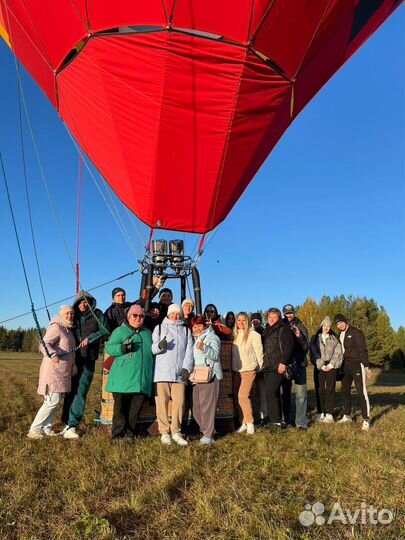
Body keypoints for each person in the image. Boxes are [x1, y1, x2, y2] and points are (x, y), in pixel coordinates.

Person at [61, 290, 109, 439]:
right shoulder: (72, 315)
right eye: (81, 302)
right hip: (72, 359)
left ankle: (73, 424)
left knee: (81, 391)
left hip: (88, 358)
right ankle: (65, 422)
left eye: (86, 301)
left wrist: (91, 338)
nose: (83, 304)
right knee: (69, 391)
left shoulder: (98, 314)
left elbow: (105, 329)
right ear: (76, 303)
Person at [105, 304, 154, 441]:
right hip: (123, 379)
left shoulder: (147, 333)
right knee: (120, 409)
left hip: (141, 379)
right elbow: (109, 348)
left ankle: (129, 434)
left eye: (141, 316)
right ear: (128, 316)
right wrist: (124, 348)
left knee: (134, 410)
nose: (138, 318)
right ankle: (117, 435)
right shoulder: (120, 331)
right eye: (135, 315)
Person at [27, 306, 78, 439]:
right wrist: (53, 354)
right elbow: (44, 344)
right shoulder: (57, 327)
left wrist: (73, 366)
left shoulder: (68, 330)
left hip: (63, 372)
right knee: (51, 401)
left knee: (55, 401)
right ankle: (35, 428)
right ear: (61, 315)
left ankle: (46, 427)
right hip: (53, 370)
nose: (70, 316)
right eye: (67, 313)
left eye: (72, 313)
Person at [152, 303, 193, 446]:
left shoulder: (186, 331)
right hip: (162, 372)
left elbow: (189, 352)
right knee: (161, 403)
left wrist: (186, 368)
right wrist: (159, 346)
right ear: (168, 314)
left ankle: (176, 431)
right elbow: (153, 348)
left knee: (179, 403)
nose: (175, 316)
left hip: (179, 374)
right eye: (173, 314)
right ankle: (164, 432)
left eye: (178, 314)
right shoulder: (159, 328)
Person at [334, 314, 371, 431]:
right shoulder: (340, 334)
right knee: (345, 391)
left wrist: (366, 366)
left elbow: (362, 349)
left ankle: (366, 419)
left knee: (361, 392)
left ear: (345, 321)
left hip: (357, 365)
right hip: (345, 366)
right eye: (337, 324)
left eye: (340, 322)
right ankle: (347, 415)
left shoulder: (356, 332)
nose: (339, 325)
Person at [191, 316, 222, 445]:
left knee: (207, 407)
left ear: (205, 325)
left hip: (210, 375)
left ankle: (208, 436)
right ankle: (207, 431)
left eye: (199, 325)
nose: (197, 328)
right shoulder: (195, 339)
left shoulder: (212, 337)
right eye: (194, 326)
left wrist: (204, 348)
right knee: (196, 407)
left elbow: (215, 355)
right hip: (198, 376)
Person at [232, 312, 264, 435]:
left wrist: (260, 367)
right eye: (238, 320)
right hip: (236, 371)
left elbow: (259, 352)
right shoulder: (234, 335)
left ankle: (250, 423)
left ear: (247, 321)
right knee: (238, 398)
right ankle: (243, 422)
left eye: (243, 320)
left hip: (249, 370)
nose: (241, 323)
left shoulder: (253, 335)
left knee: (243, 396)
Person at [262, 308, 294, 429]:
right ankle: (276, 420)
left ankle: (276, 421)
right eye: (270, 317)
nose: (271, 319)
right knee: (271, 393)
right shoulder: (267, 331)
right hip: (268, 367)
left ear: (279, 318)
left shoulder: (283, 329)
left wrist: (283, 362)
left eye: (274, 317)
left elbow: (288, 347)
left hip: (278, 366)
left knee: (271, 392)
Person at [309, 316, 343, 423]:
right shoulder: (315, 338)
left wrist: (331, 365)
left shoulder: (334, 339)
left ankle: (329, 414)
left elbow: (338, 353)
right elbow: (313, 353)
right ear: (321, 326)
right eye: (324, 325)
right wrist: (321, 365)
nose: (326, 328)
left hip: (331, 367)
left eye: (328, 326)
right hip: (319, 366)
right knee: (320, 390)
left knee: (330, 389)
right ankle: (320, 412)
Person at [281, 304, 309, 430]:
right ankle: (286, 420)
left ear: (294, 313)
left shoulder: (301, 326)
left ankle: (301, 422)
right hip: (286, 365)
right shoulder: (280, 326)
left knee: (301, 395)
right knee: (285, 394)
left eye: (291, 313)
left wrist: (299, 336)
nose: (289, 315)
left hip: (300, 364)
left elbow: (305, 347)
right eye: (287, 313)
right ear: (283, 314)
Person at [250, 312, 268, 425]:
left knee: (262, 393)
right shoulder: (249, 333)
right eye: (253, 320)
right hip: (251, 367)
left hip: (261, 368)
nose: (255, 322)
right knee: (252, 394)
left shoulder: (264, 332)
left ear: (260, 321)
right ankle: (254, 416)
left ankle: (264, 416)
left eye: (257, 320)